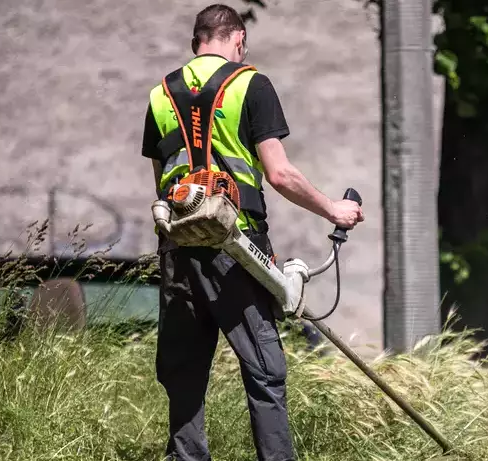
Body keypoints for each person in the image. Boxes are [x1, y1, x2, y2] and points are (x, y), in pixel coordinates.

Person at [139, 4, 364, 461]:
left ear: (195, 43)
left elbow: (162, 181)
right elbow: (279, 175)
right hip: (235, 248)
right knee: (264, 370)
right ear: (238, 39)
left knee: (182, 375)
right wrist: (332, 210)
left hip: (178, 248)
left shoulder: (160, 94)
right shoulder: (250, 84)